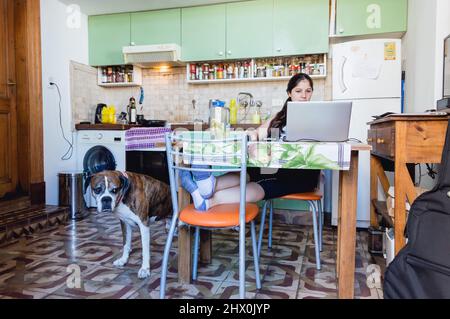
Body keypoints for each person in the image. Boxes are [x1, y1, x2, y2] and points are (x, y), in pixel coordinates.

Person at [180, 73, 320, 211]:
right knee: (251, 170)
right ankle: (210, 185)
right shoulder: (280, 117)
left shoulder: (317, 117)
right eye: (298, 91)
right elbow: (256, 132)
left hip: (303, 173)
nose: (304, 96)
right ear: (289, 93)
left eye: (308, 91)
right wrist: (253, 140)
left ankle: (209, 201)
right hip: (277, 167)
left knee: (265, 181)